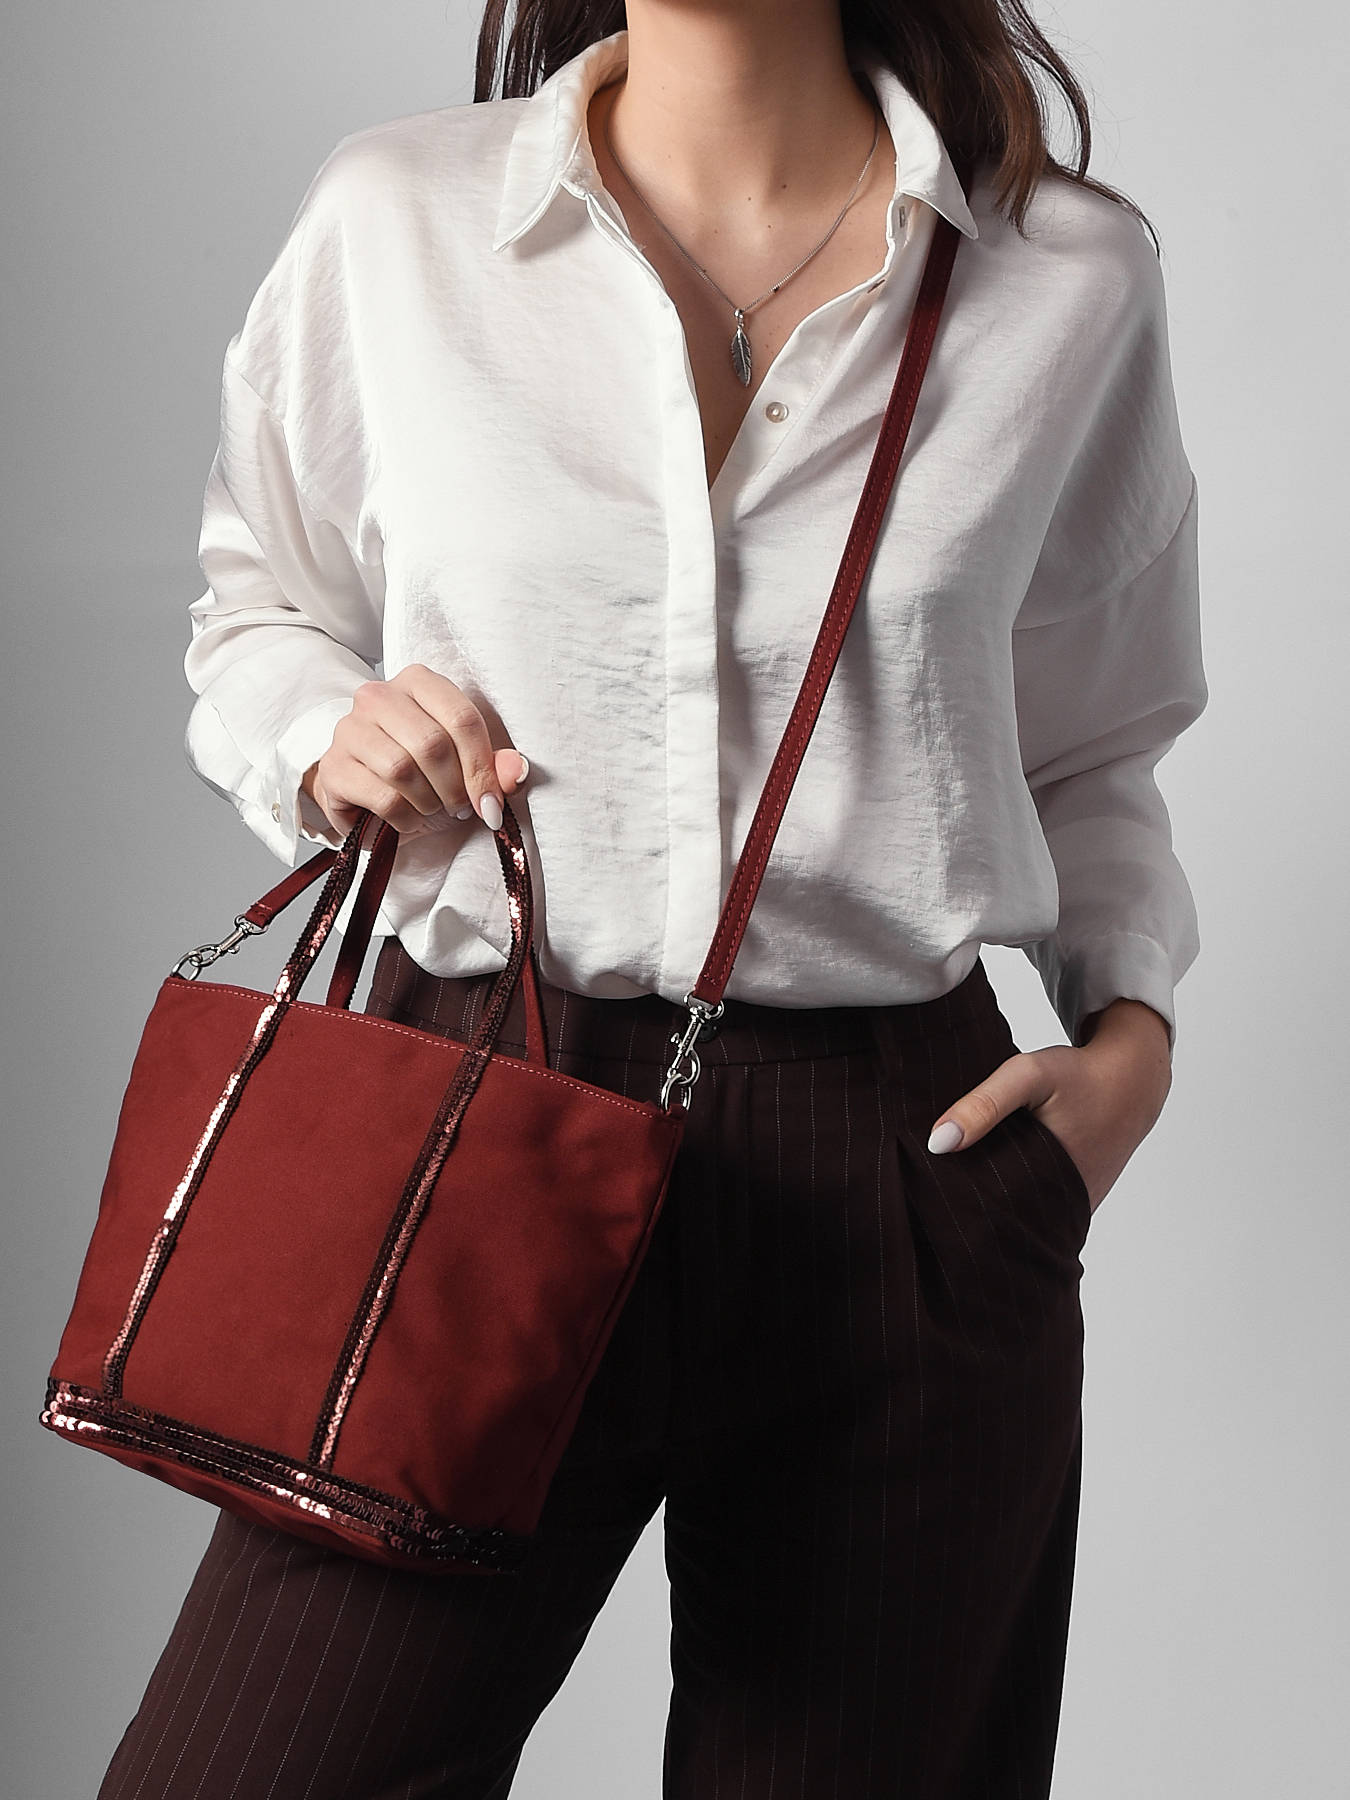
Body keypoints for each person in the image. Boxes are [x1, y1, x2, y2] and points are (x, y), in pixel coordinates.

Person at [97, 1, 1206, 1795]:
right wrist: (327, 732)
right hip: (482, 1110)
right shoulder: (401, 218)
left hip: (902, 1167)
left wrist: (1128, 1038)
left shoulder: (1061, 273)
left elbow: (1095, 738)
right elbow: (262, 609)